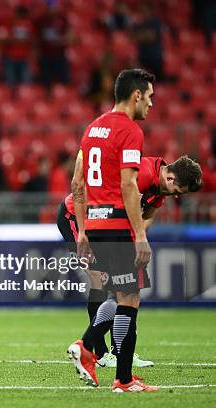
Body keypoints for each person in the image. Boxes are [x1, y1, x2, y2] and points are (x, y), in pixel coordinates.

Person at [58, 155, 203, 368]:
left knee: (124, 291)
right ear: (170, 178)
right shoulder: (142, 174)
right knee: (102, 281)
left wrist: (136, 239)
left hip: (110, 226)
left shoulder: (159, 187)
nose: (177, 196)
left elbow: (148, 215)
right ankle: (99, 353)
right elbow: (106, 200)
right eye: (178, 191)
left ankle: (121, 351)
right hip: (78, 218)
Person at [66, 68, 158, 392]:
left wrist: (81, 231)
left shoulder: (92, 128)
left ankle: (103, 360)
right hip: (119, 225)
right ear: (136, 95)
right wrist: (141, 235)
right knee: (130, 299)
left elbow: (77, 183)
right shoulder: (130, 131)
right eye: (149, 98)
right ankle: (110, 368)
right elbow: (129, 184)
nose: (150, 105)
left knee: (118, 296)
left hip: (95, 224)